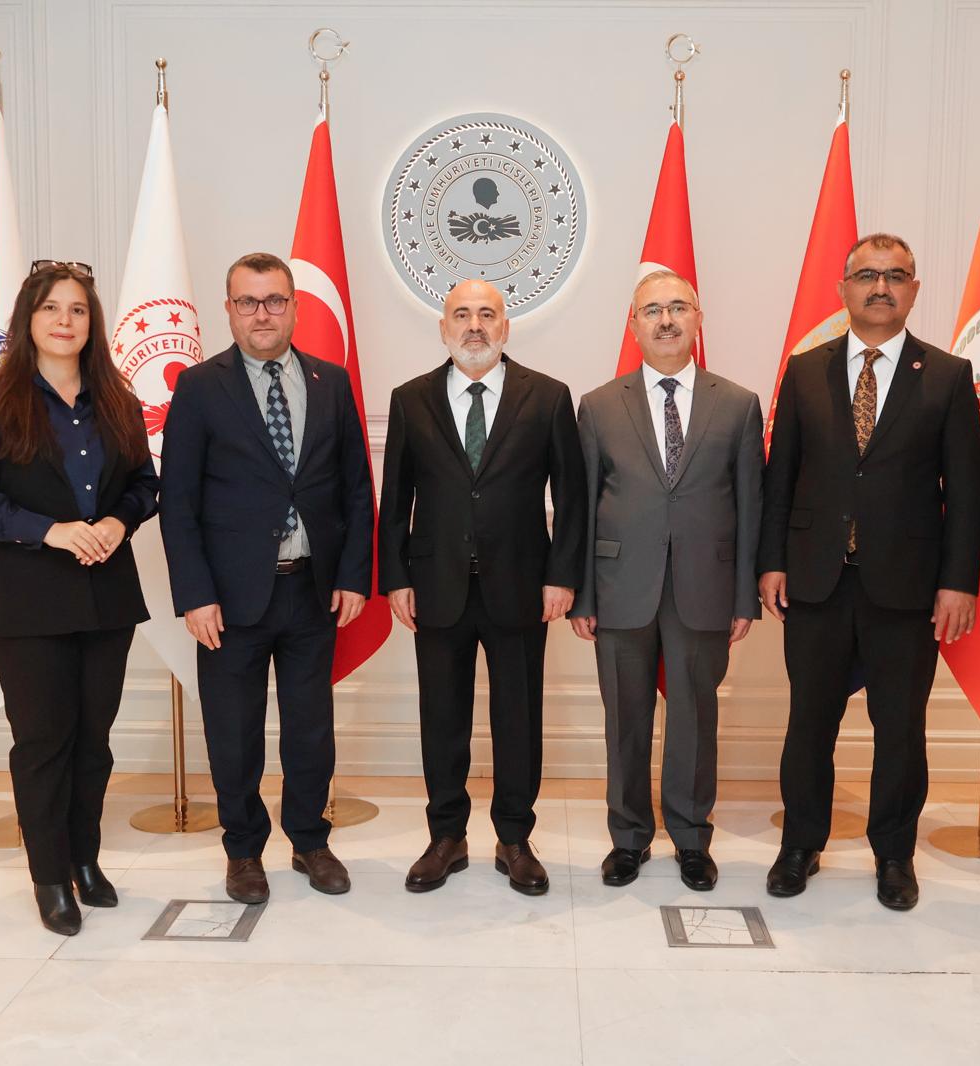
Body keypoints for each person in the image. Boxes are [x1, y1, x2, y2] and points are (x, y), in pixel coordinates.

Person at [759, 233, 980, 911]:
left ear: (914, 289)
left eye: (896, 276)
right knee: (809, 724)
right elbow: (781, 479)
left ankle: (894, 855)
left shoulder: (946, 375)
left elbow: (966, 491)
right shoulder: (804, 370)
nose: (881, 287)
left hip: (907, 586)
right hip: (816, 580)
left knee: (901, 728)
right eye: (867, 275)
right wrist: (770, 562)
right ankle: (801, 844)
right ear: (843, 289)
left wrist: (959, 581)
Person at [0, 261, 159, 936]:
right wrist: (53, 531)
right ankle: (49, 879)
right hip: (28, 601)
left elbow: (144, 486)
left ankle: (86, 861)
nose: (65, 321)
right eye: (51, 309)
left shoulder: (117, 400)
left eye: (77, 310)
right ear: (29, 320)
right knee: (44, 742)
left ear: (91, 324)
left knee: (93, 741)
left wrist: (116, 523)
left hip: (106, 597)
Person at [160, 252, 373, 904]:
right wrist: (194, 594)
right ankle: (243, 851)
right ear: (229, 309)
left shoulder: (331, 382)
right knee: (234, 731)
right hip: (228, 600)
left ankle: (310, 839)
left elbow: (355, 489)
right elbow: (179, 502)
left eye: (275, 300)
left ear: (294, 307)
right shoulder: (199, 387)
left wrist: (354, 575)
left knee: (310, 728)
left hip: (311, 590)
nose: (262, 313)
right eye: (248, 301)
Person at [378, 280, 585, 896]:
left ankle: (515, 837)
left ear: (506, 326)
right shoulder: (410, 399)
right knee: (441, 716)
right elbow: (395, 502)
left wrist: (562, 576)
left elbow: (570, 500)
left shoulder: (547, 397)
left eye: (487, 314)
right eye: (461, 315)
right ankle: (447, 836)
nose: (474, 326)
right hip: (435, 585)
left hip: (521, 586)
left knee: (518, 717)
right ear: (443, 328)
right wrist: (395, 579)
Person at [569, 270, 764, 892]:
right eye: (652, 310)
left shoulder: (737, 403)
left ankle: (690, 838)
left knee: (695, 717)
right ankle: (628, 838)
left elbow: (750, 506)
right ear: (634, 324)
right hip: (619, 585)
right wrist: (583, 593)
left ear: (697, 318)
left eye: (678, 307)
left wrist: (744, 597)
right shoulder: (599, 405)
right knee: (624, 718)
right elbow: (581, 505)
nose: (666, 320)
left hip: (706, 588)